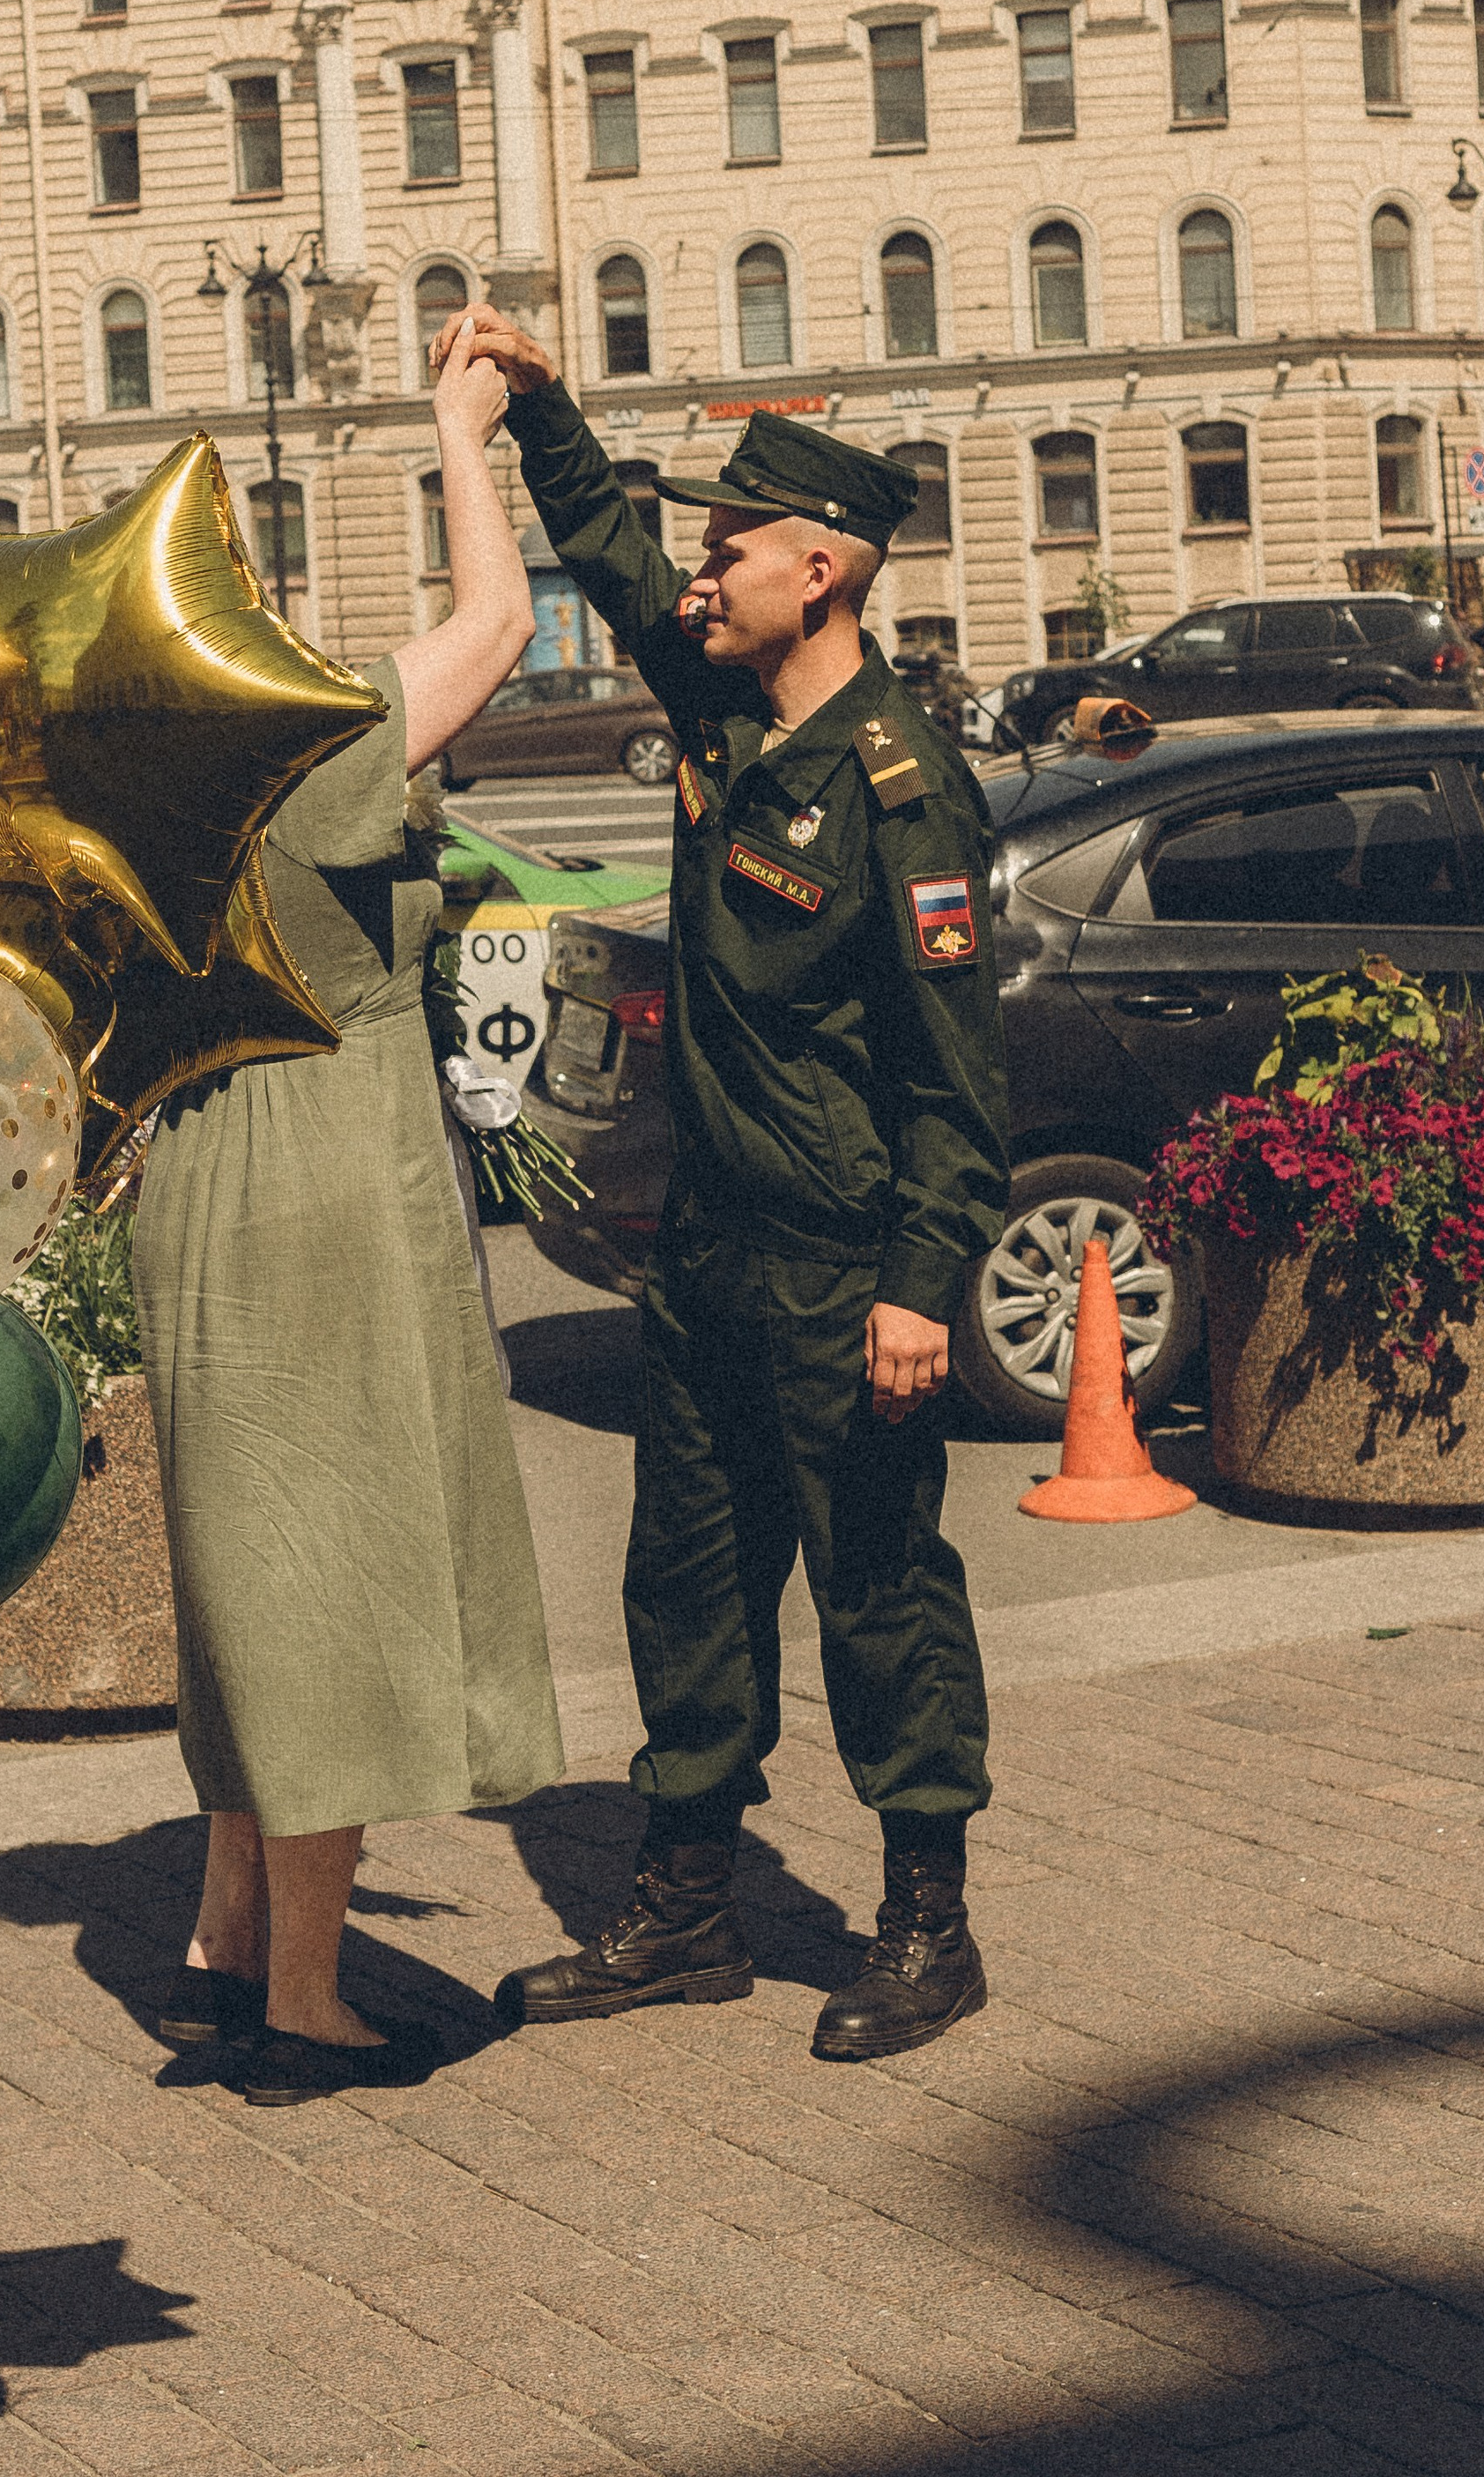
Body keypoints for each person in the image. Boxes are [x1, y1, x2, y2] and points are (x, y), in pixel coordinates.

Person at [445, 309, 1008, 2066]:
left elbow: (956, 1085)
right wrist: (541, 406)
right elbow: (609, 553)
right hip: (701, 1250)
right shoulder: (720, 703)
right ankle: (683, 1906)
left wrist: (923, 1279)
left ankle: (925, 1920)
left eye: (730, 548)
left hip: (845, 1269)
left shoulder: (904, 794)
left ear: (819, 570)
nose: (700, 572)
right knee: (684, 1581)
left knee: (876, 1592)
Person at [138, 319, 563, 2105]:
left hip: (200, 1165)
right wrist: (464, 432)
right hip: (325, 1160)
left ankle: (226, 1937)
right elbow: (499, 631)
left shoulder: (141, 774)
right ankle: (305, 1997)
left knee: (242, 1569)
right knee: (334, 1570)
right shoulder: (293, 746)